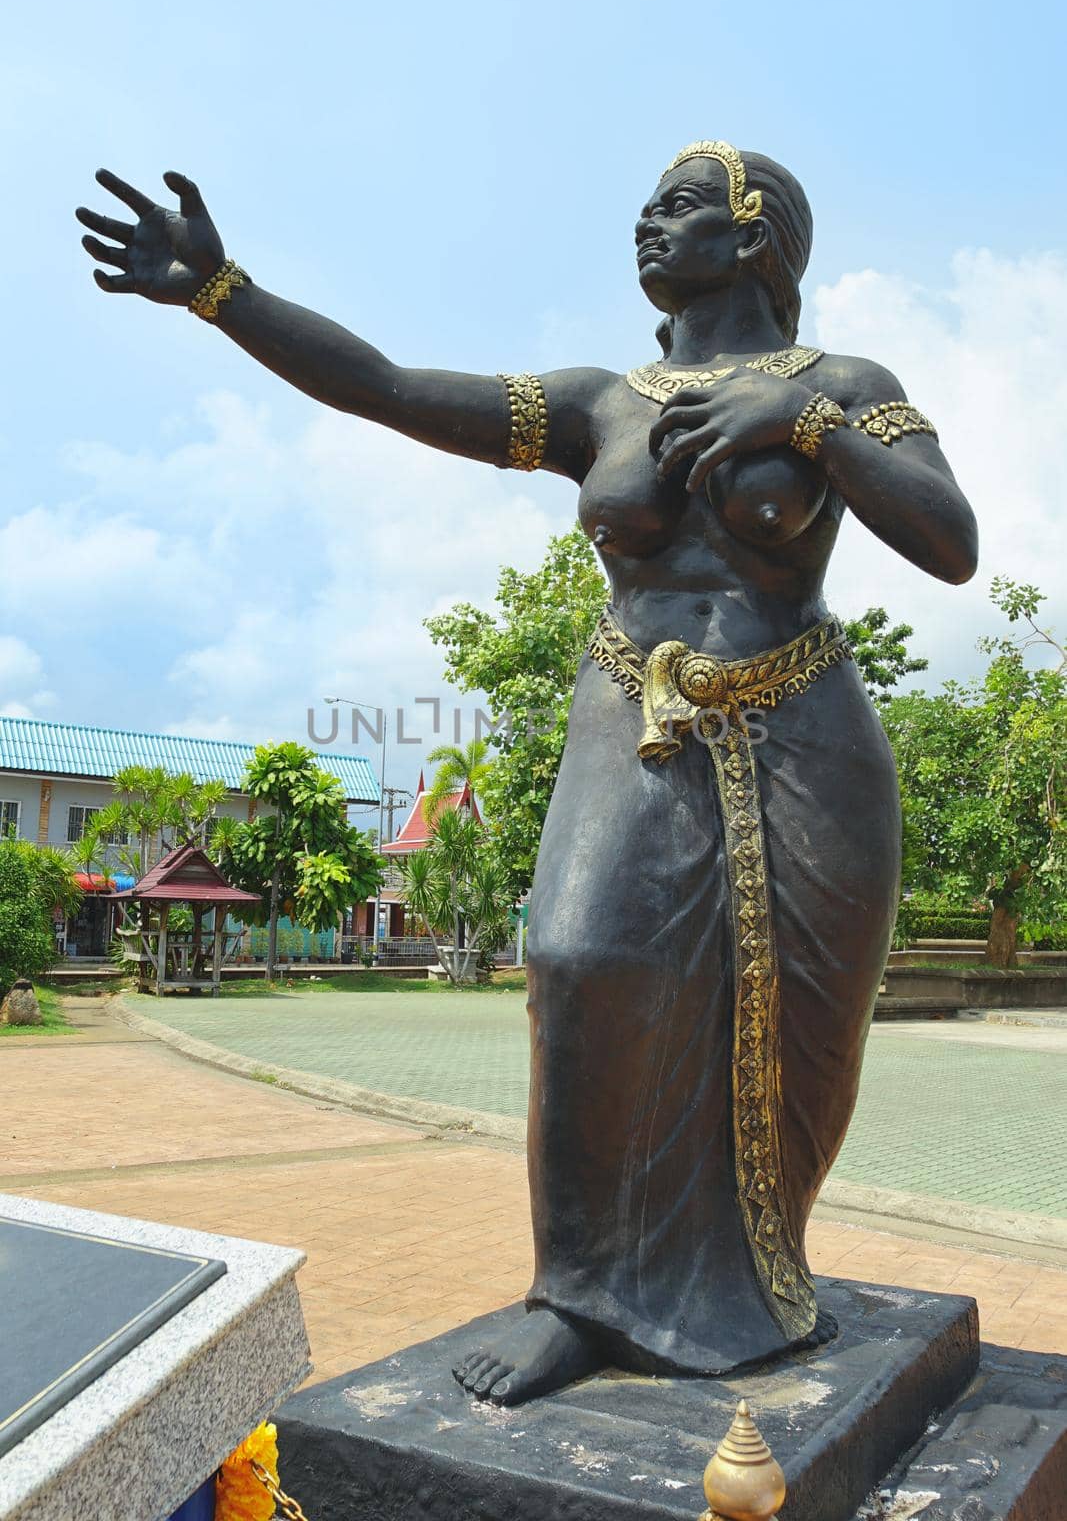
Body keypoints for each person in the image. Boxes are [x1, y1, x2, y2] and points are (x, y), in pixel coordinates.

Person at [77, 141, 977, 1406]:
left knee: (795, 1038)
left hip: (803, 734)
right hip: (636, 711)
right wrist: (229, 294)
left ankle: (752, 1281)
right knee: (572, 958)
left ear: (755, 235)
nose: (644, 226)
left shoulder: (842, 382)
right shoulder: (600, 403)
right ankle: (580, 1293)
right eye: (644, 209)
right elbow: (388, 387)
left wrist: (808, 424)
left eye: (677, 208)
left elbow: (948, 544)